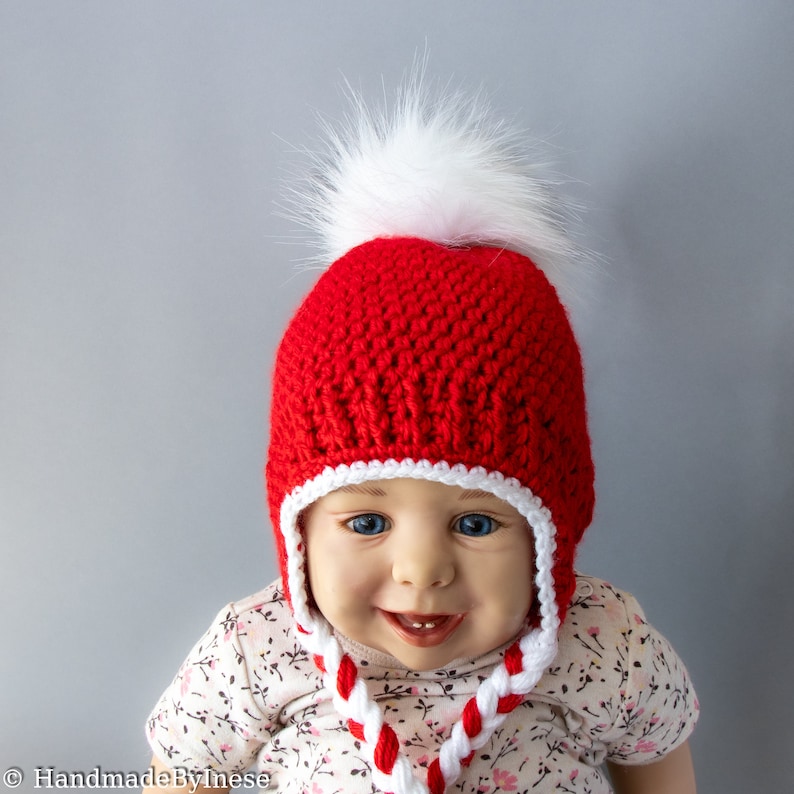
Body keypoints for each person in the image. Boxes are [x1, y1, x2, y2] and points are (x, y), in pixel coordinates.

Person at [143, 80, 698, 794]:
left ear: (551, 526)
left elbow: (660, 769)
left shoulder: (599, 646)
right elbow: (186, 774)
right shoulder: (257, 651)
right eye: (368, 521)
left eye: (475, 522)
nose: (421, 570)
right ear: (299, 526)